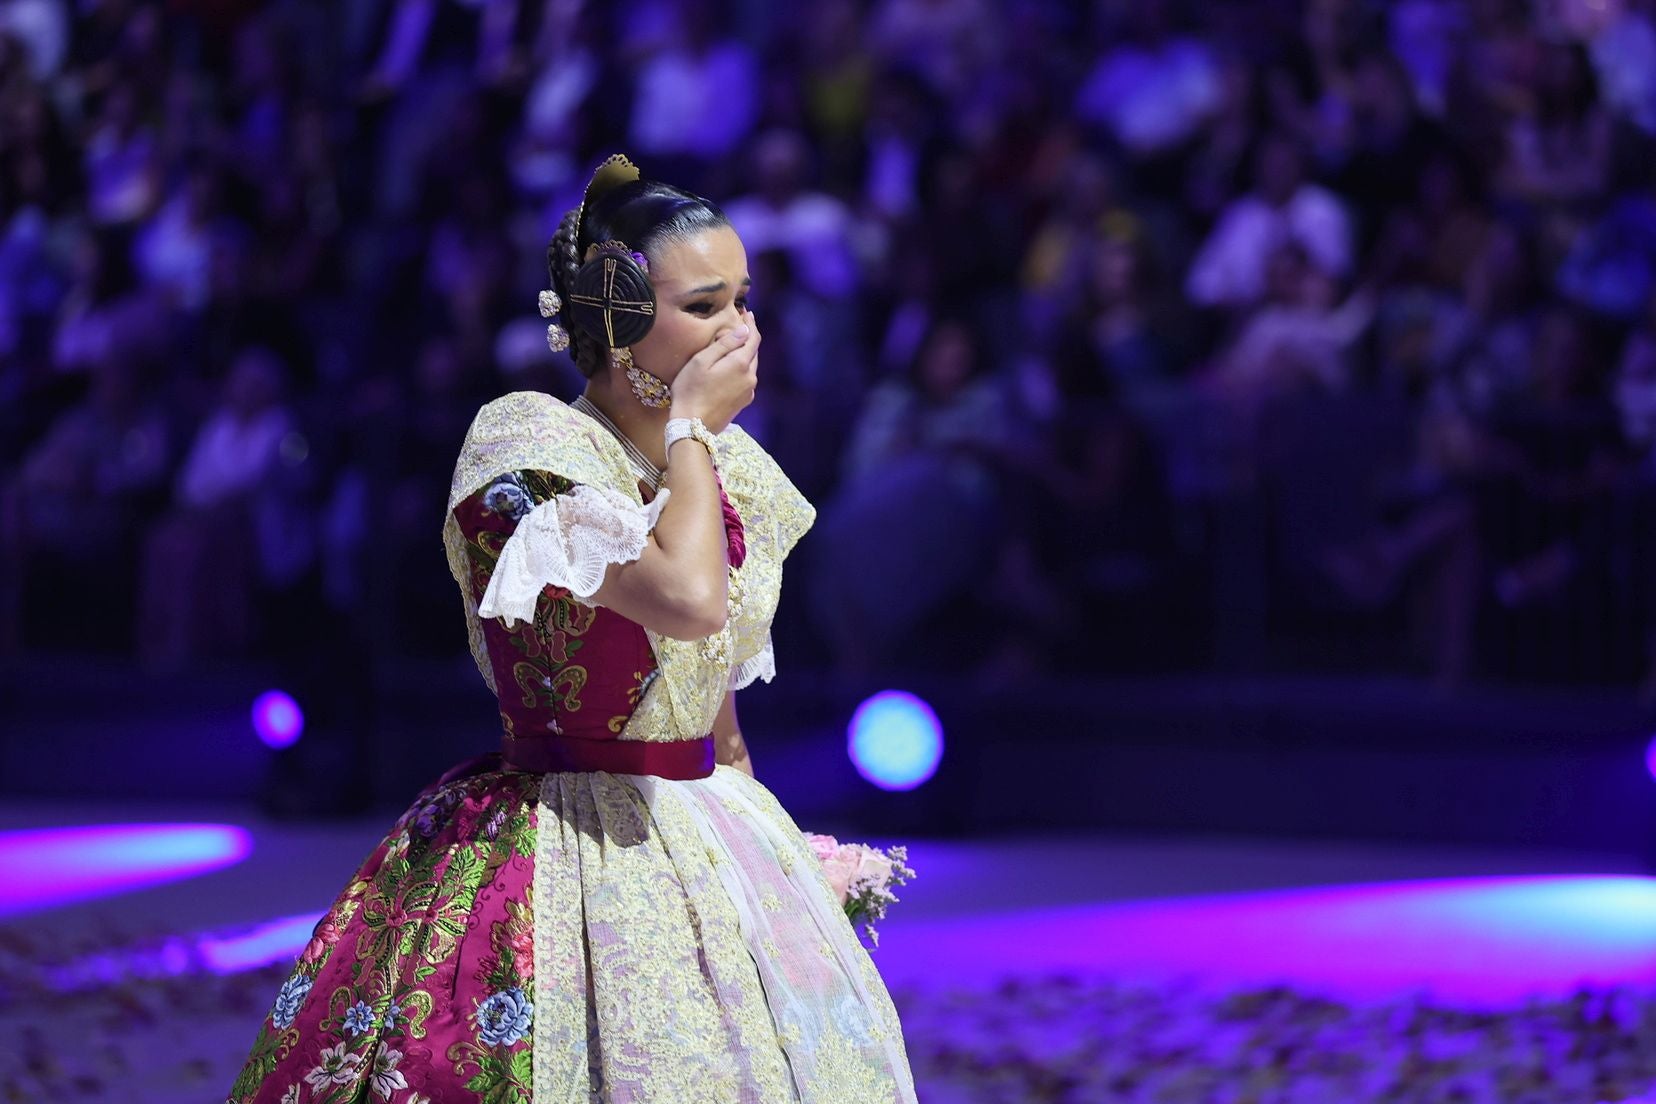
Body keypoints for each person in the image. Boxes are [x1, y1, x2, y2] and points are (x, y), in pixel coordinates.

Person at [226, 155, 918, 1103]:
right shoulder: (527, 442)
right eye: (706, 307)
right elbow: (687, 599)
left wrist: (775, 863)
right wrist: (690, 430)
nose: (742, 332)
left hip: (706, 828)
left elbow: (713, 707)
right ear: (617, 320)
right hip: (554, 840)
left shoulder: (729, 467)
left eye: (744, 301)